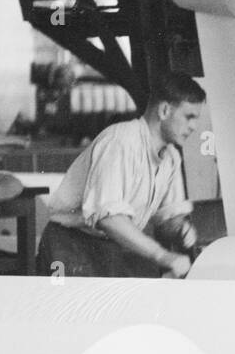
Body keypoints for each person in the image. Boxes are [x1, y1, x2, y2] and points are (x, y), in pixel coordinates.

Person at [36, 72, 205, 279]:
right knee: (66, 306)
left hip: (116, 247)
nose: (194, 127)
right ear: (164, 110)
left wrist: (180, 229)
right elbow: (110, 219)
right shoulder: (120, 142)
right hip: (67, 248)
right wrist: (163, 256)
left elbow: (167, 222)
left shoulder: (171, 158)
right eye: (189, 117)